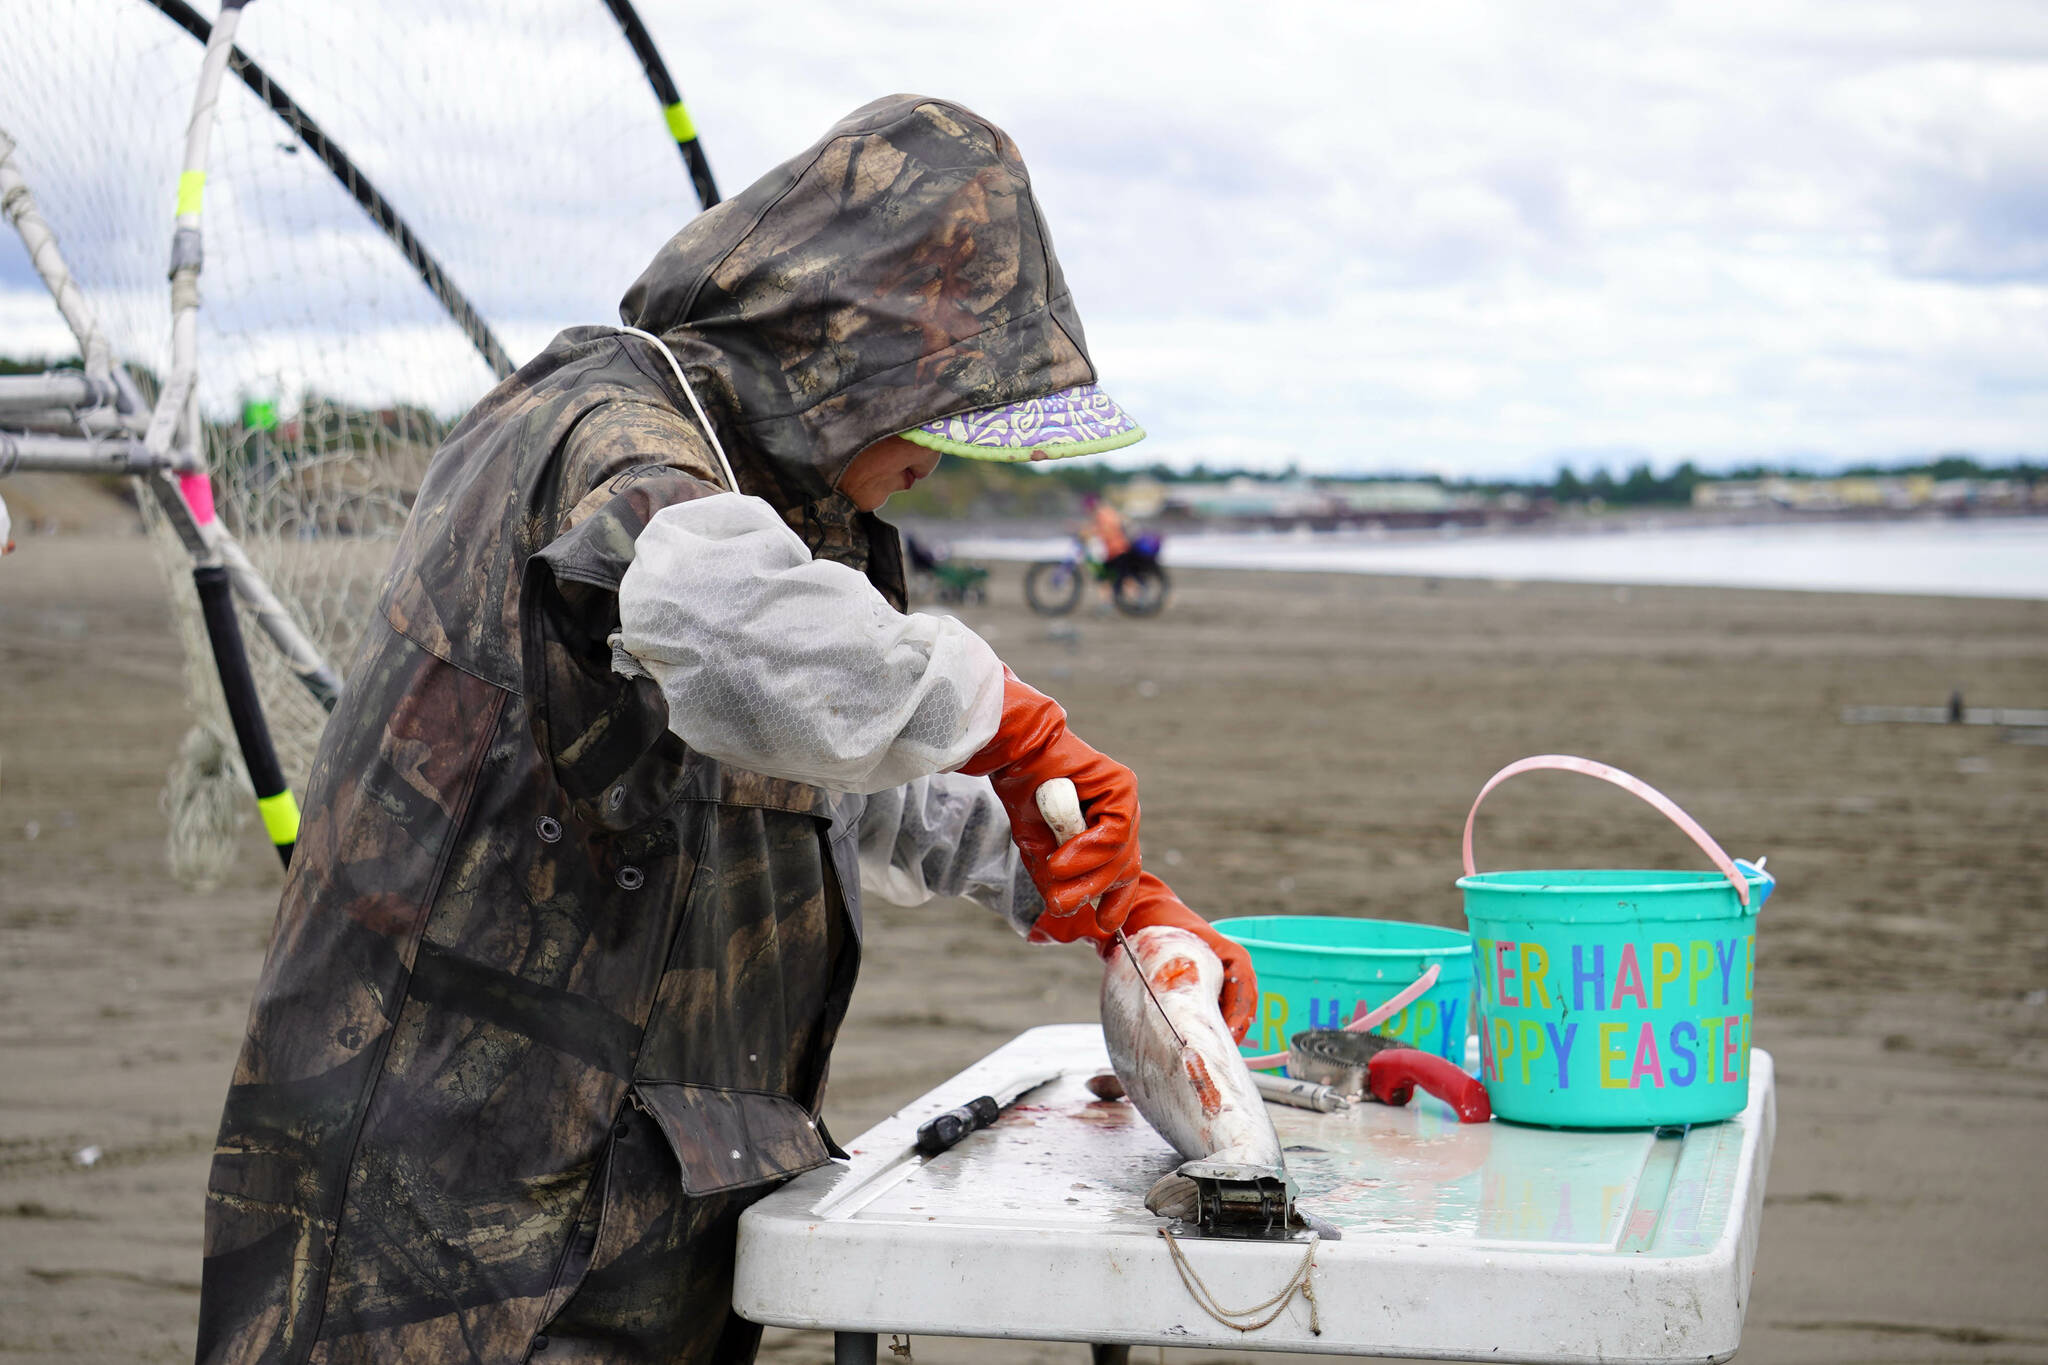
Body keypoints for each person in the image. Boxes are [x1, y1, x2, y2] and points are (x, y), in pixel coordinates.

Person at [197, 95, 1255, 1364]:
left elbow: (822, 759)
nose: (934, 460)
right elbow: (720, 626)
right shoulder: (604, 434)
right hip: (450, 1219)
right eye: (931, 415)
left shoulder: (770, 502)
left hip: (640, 1209)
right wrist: (1014, 724)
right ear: (848, 353)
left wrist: (1074, 875)